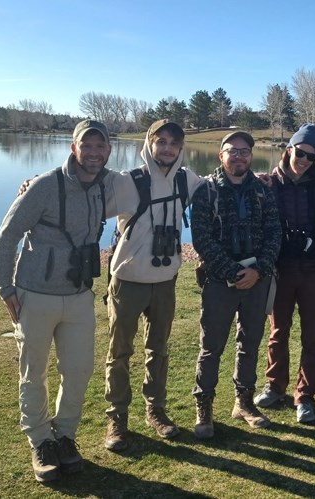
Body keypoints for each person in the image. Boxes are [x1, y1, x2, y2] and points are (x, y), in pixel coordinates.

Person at [0, 120, 112, 483]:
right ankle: (41, 441)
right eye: (86, 145)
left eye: (100, 146)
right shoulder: (44, 185)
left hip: (78, 296)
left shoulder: (108, 184)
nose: (93, 152)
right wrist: (4, 286)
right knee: (34, 372)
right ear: (73, 148)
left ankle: (64, 436)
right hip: (35, 294)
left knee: (78, 370)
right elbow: (8, 233)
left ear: (108, 150)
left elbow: (157, 176)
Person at [103, 119, 204, 451]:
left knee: (158, 351)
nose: (167, 149)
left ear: (181, 148)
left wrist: (263, 179)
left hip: (165, 282)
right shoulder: (125, 182)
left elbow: (219, 185)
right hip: (128, 281)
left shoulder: (187, 180)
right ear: (149, 143)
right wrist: (37, 183)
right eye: (161, 142)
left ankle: (155, 411)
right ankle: (116, 419)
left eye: (174, 143)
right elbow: (84, 193)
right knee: (119, 353)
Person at [190, 131, 281, 439]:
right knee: (211, 346)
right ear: (221, 155)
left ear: (251, 156)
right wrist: (231, 271)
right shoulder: (206, 191)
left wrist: (258, 270)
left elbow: (274, 234)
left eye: (244, 151)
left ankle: (244, 402)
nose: (239, 156)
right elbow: (201, 239)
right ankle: (204, 406)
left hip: (258, 280)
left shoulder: (263, 191)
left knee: (250, 343)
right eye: (233, 151)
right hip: (219, 281)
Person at [253, 124, 315, 424]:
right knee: (278, 332)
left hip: (312, 270)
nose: (305, 159)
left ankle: (305, 395)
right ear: (289, 150)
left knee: (311, 334)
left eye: (312, 155)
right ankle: (275, 385)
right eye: (301, 152)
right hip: (280, 270)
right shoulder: (268, 183)